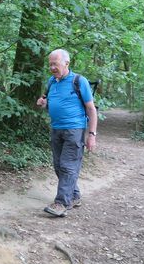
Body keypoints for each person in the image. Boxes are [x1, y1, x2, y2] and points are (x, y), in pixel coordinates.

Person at [36, 48, 98, 217]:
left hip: (75, 130)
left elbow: (91, 109)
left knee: (68, 166)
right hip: (56, 129)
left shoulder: (79, 81)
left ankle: (61, 203)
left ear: (66, 63)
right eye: (50, 65)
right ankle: (74, 195)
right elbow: (51, 102)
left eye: (55, 64)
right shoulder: (51, 81)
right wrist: (43, 103)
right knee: (58, 165)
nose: (52, 68)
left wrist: (91, 135)